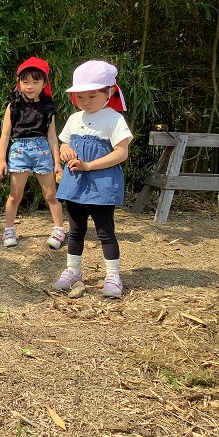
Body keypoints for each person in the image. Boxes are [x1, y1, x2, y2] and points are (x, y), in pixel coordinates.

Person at [51, 60, 133, 299]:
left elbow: (121, 153)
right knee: (75, 230)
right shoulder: (75, 118)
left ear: (108, 93)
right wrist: (65, 151)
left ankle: (113, 275)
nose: (85, 102)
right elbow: (65, 141)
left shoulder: (114, 119)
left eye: (92, 95)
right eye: (80, 97)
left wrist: (88, 165)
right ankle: (73, 271)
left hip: (102, 184)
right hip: (75, 183)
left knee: (105, 231)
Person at [0, 57, 66, 250]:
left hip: (42, 150)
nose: (30, 86)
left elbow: (53, 138)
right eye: (25, 81)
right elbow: (5, 134)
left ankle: (59, 229)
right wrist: (1, 160)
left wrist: (57, 163)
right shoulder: (13, 105)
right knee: (14, 195)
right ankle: (8, 229)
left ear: (44, 83)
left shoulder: (48, 107)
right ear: (19, 83)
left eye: (36, 82)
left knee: (51, 194)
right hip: (19, 151)